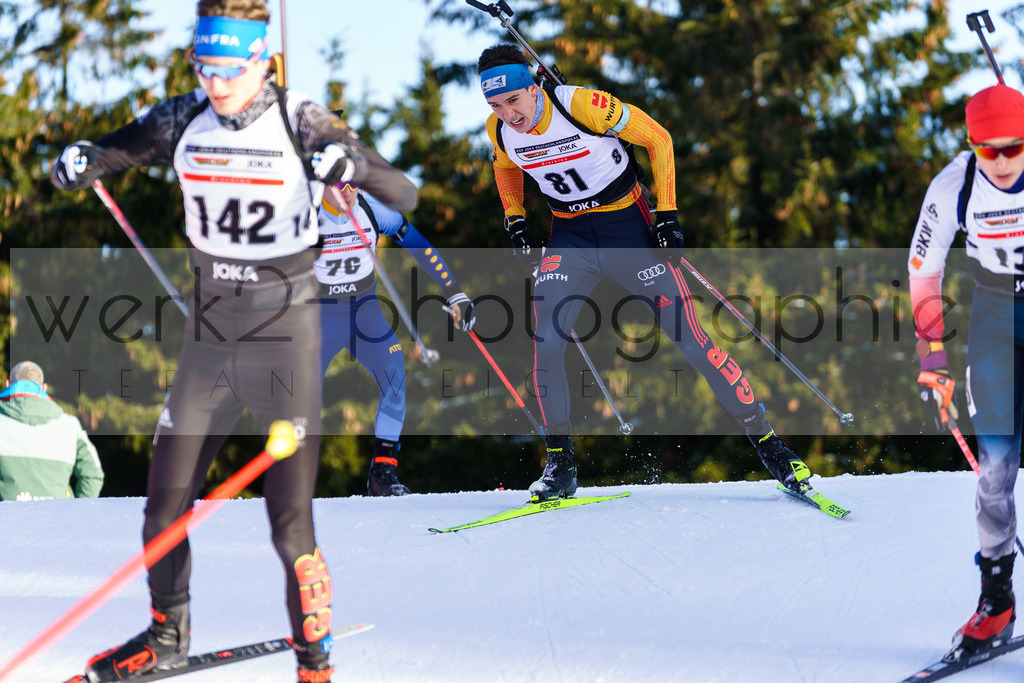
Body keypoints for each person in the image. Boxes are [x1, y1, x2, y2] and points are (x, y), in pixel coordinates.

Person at [49, 1, 416, 681]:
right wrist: (79, 162)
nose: (215, 84)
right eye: (203, 66)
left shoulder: (302, 119)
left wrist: (349, 165)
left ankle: (313, 660)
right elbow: (108, 153)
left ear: (262, 61)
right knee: (163, 503)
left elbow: (404, 190)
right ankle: (167, 634)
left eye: (228, 69)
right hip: (211, 337)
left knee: (288, 520)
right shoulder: (183, 115)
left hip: (286, 337)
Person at [476, 44, 812, 502]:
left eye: (514, 100)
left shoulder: (580, 105)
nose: (508, 114)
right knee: (547, 342)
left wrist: (668, 214)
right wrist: (515, 218)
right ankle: (560, 465)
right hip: (570, 238)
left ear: (534, 86)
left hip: (627, 229)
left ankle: (771, 445)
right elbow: (504, 167)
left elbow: (658, 138)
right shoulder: (499, 130)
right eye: (496, 105)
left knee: (691, 339)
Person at [909, 82, 1024, 661]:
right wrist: (933, 358)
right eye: (989, 150)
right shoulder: (954, 185)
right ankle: (996, 602)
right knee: (995, 467)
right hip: (995, 315)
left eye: (1013, 148)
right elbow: (924, 276)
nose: (1001, 161)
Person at [315, 181, 474, 496]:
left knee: (394, 372)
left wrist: (454, 292)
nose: (348, 192)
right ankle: (293, 475)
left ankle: (383, 475)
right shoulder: (302, 209)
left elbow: (419, 246)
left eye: (353, 184)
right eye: (339, 184)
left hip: (363, 309)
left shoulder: (372, 209)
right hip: (316, 313)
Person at [0, 361, 103, 501]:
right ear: (43, 388)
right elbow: (93, 474)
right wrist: (76, 514)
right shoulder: (70, 425)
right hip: (59, 520)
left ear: (8, 384)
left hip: (7, 521)